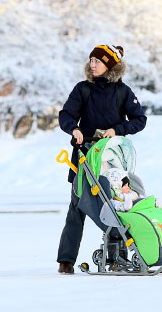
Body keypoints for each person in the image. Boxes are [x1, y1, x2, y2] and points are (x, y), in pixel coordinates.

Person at [56, 44, 147, 274]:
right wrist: (73, 129)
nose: (92, 64)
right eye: (91, 60)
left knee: (117, 203)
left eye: (97, 61)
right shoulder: (82, 89)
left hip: (112, 159)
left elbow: (139, 120)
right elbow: (65, 114)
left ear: (109, 65)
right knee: (77, 207)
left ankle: (118, 257)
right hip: (85, 156)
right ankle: (66, 261)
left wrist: (117, 130)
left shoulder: (122, 92)